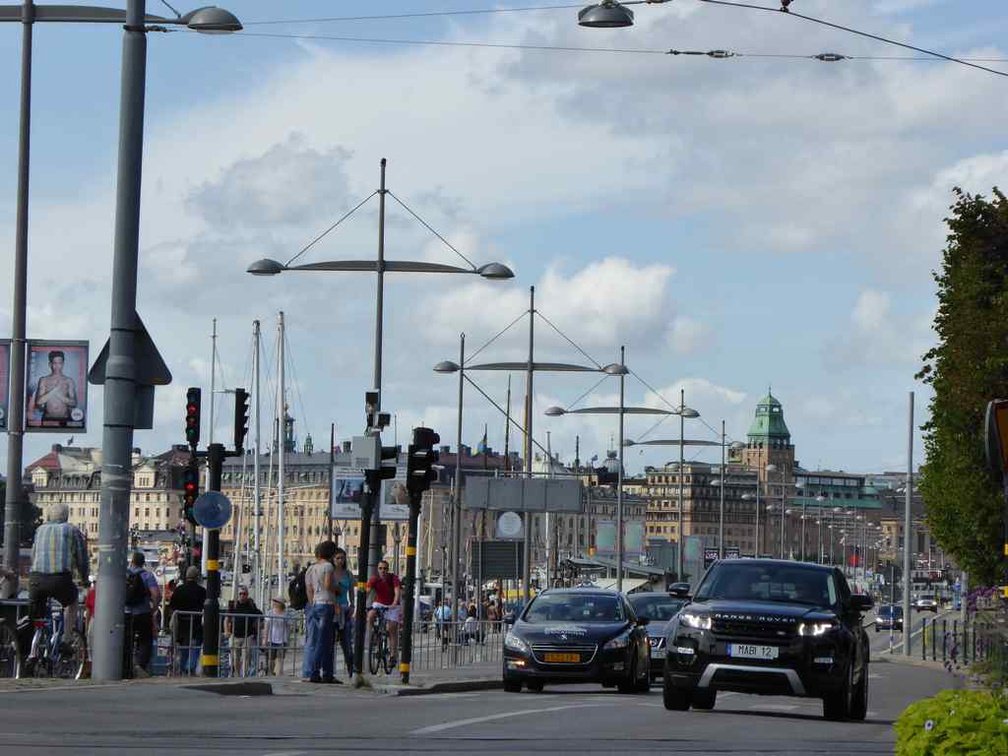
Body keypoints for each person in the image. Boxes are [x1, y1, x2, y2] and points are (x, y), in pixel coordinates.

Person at [28, 502, 88, 647]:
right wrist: (84, 579)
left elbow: (33, 555)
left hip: (36, 579)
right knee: (71, 603)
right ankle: (66, 640)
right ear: (66, 516)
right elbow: (82, 559)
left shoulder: (39, 529)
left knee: (38, 617)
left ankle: (33, 651)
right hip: (60, 579)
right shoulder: (72, 530)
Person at [303, 540, 340, 684]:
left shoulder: (311, 569)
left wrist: (313, 603)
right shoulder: (328, 567)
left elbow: (309, 589)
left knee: (318, 640)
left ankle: (322, 672)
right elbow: (327, 584)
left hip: (316, 605)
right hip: (327, 604)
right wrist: (337, 589)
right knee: (325, 642)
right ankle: (318, 673)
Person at [124, 551, 160, 676]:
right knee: (145, 640)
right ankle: (141, 667)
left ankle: (126, 667)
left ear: (132, 561)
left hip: (126, 613)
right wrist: (153, 609)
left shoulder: (124, 574)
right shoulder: (147, 575)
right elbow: (156, 595)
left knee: (126, 640)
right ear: (143, 562)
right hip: (143, 613)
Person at [167, 566, 206, 675]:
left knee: (183, 649)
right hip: (196, 624)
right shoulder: (202, 591)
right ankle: (190, 668)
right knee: (195, 648)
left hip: (181, 625)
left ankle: (182, 668)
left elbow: (172, 607)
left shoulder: (179, 590)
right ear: (197, 577)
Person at [367, 560, 402, 663]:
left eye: (385, 568)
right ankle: (373, 635)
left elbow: (397, 592)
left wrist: (394, 603)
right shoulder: (374, 579)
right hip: (379, 603)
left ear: (388, 569)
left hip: (392, 605)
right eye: (380, 568)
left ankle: (392, 655)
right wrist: (360, 605)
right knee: (370, 615)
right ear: (378, 569)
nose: (383, 571)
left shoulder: (393, 578)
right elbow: (367, 593)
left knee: (392, 629)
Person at [28, 350, 78, 422]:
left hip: (65, 419)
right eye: (55, 363)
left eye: (60, 363)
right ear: (50, 364)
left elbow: (74, 403)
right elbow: (39, 402)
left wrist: (59, 395)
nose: (57, 366)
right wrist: (55, 390)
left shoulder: (69, 381)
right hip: (47, 419)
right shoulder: (43, 380)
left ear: (63, 364)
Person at [225, 587, 262, 677]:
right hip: (235, 635)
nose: (242, 596)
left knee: (246, 657)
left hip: (247, 635)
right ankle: (237, 675)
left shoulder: (251, 605)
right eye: (240, 594)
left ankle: (244, 675)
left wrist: (258, 626)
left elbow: (261, 617)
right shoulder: (234, 605)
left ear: (247, 595)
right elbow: (226, 619)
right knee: (235, 657)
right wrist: (227, 631)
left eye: (244, 594)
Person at [331, 547, 354, 676]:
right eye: (337, 558)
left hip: (345, 609)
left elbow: (351, 591)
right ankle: (329, 670)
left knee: (346, 641)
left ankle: (351, 668)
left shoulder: (348, 574)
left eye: (342, 558)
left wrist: (353, 605)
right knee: (330, 641)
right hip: (332, 608)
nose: (340, 561)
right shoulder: (330, 572)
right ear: (333, 559)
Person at [263, 598, 290, 676]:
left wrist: (287, 640)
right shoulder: (270, 613)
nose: (274, 602)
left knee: (280, 659)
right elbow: (266, 626)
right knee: (271, 659)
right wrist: (265, 639)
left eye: (276, 601)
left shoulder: (285, 614)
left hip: (282, 640)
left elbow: (288, 628)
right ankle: (271, 674)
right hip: (271, 639)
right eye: (274, 601)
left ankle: (278, 675)